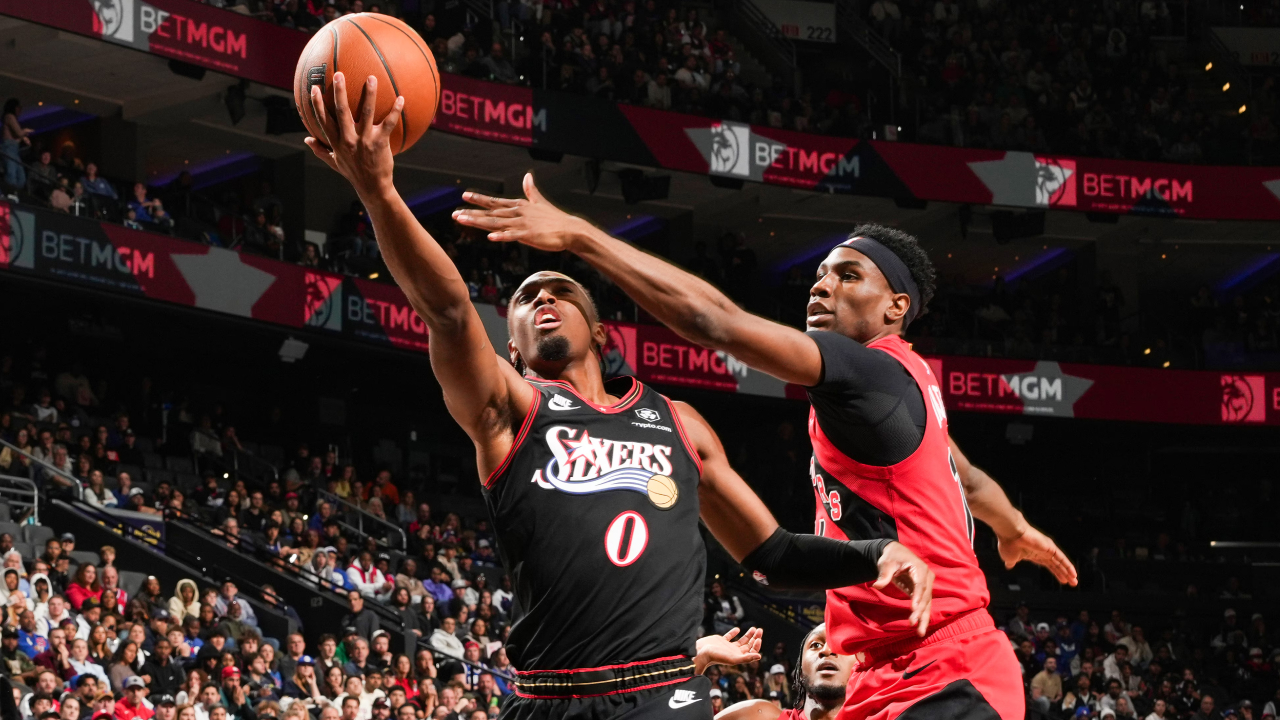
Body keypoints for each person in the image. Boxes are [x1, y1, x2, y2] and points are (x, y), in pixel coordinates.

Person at [305, 72, 935, 720]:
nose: (543, 298)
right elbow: (446, 311)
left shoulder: (680, 424)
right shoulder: (509, 410)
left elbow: (773, 552)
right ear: (513, 350)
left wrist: (877, 553)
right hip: (552, 701)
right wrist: (378, 191)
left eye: (561, 292)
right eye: (525, 298)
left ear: (602, 334)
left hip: (666, 694)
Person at [455, 179, 1081, 720]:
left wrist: (580, 237)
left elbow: (714, 322)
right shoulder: (907, 386)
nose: (822, 285)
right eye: (820, 274)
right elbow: (966, 479)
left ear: (896, 307)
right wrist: (1014, 526)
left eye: (848, 275)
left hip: (946, 665)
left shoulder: (867, 372)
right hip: (882, 671)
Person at [716, 624, 850, 720]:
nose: (826, 650)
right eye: (816, 645)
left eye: (840, 644)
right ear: (800, 672)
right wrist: (699, 661)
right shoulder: (758, 715)